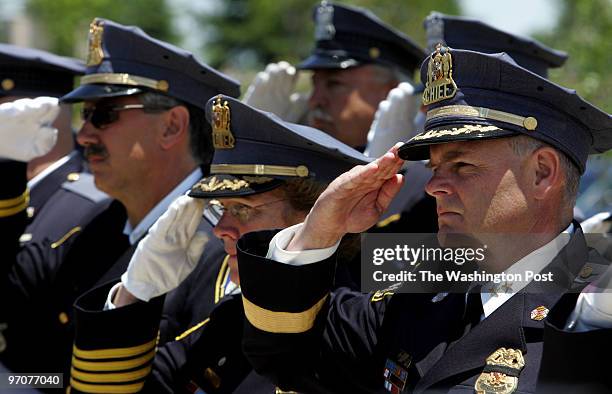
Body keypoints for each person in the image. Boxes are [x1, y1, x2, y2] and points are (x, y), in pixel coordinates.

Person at [236, 46, 612, 393]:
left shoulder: (594, 306)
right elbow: (285, 355)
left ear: (542, 173)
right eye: (434, 168)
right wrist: (318, 230)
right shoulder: (424, 292)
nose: (433, 187)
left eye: (461, 165)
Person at [65, 95, 369, 393]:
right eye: (221, 209)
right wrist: (131, 295)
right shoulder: (232, 319)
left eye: (243, 209)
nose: (221, 229)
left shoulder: (355, 327)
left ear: (315, 217)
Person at [0, 18, 240, 378]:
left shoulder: (223, 246)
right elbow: (11, 306)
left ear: (171, 127)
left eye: (103, 115)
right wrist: (5, 170)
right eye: (85, 116)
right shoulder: (92, 226)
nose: (84, 136)